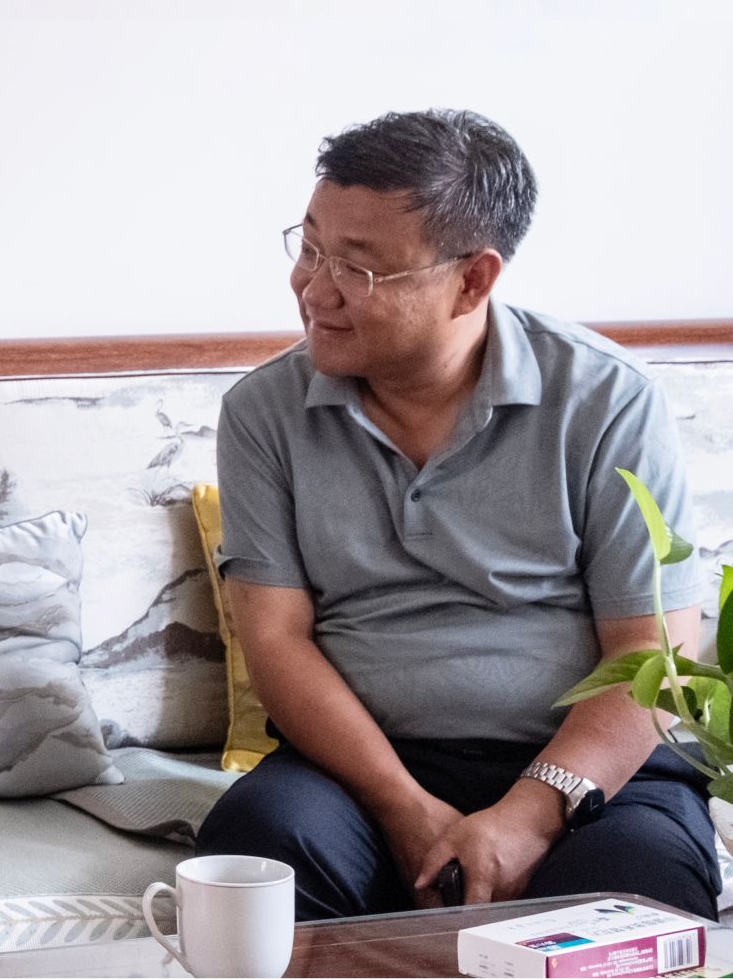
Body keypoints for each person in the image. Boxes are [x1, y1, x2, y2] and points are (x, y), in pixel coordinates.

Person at [195, 110, 717, 920]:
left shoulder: (606, 400)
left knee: (637, 888)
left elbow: (652, 650)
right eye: (310, 248)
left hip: (583, 771)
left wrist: (527, 815)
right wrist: (403, 806)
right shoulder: (264, 412)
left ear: (473, 278)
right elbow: (276, 639)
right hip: (359, 769)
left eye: (358, 268)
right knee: (257, 850)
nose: (314, 289)